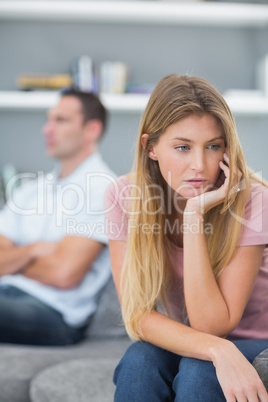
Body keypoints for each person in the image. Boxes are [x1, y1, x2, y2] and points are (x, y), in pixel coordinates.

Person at [105, 74, 268, 401]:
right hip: (198, 340)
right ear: (150, 148)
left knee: (199, 371)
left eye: (213, 146)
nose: (199, 165)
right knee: (139, 361)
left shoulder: (254, 200)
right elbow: (137, 316)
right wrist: (218, 350)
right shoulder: (124, 195)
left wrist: (194, 215)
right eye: (182, 147)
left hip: (257, 340)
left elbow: (213, 325)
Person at [0, 88, 116, 346]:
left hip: (54, 314)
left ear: (91, 130)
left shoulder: (104, 189)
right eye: (49, 119)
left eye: (60, 120)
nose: (47, 129)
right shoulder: (30, 189)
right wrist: (33, 251)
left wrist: (13, 257)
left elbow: (64, 275)